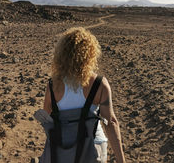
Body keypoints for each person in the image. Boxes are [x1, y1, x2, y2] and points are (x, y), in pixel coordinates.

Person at [42, 27, 126, 163]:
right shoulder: (99, 84)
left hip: (62, 149)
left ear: (62, 54)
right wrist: (121, 160)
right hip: (94, 147)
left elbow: (46, 117)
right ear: (90, 54)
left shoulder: (53, 85)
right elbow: (110, 122)